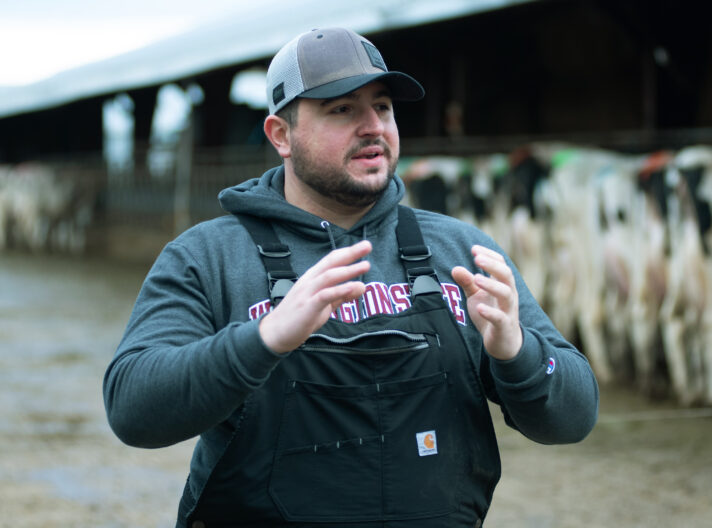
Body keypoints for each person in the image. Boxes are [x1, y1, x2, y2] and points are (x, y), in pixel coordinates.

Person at [103, 27, 598, 528]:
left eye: (382, 107)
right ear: (281, 135)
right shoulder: (209, 256)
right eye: (341, 109)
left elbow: (575, 417)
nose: (372, 127)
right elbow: (133, 410)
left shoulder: (461, 251)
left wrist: (517, 352)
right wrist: (264, 338)